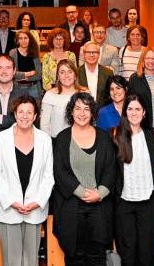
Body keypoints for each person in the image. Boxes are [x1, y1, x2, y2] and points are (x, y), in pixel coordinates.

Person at [51, 92, 117, 265]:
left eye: (86, 109)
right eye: (77, 108)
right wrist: (82, 193)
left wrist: (100, 193)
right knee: (74, 257)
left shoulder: (104, 137)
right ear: (71, 112)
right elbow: (59, 171)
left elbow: (111, 169)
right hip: (71, 207)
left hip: (99, 207)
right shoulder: (62, 138)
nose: (82, 113)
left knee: (97, 258)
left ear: (93, 113)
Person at [0, 95, 55, 266]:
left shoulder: (45, 140)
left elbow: (49, 176)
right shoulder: (1, 138)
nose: (25, 116)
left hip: (34, 209)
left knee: (30, 261)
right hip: (8, 208)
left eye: (29, 112)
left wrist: (37, 202)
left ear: (35, 116)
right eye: (21, 112)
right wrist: (12, 201)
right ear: (15, 114)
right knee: (11, 261)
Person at [112, 94, 154, 266]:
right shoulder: (115, 137)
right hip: (124, 204)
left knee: (147, 255)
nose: (134, 112)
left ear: (144, 112)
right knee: (127, 255)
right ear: (125, 112)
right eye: (130, 109)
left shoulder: (151, 136)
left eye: (138, 109)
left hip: (148, 203)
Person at [128, 47, 154, 129]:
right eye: (147, 58)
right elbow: (129, 104)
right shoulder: (134, 79)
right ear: (142, 60)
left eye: (153, 58)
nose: (150, 61)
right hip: (141, 126)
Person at [40, 59, 84, 138]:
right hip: (56, 141)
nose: (66, 75)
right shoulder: (50, 95)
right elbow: (44, 126)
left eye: (70, 72)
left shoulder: (84, 94)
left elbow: (92, 121)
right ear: (58, 77)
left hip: (81, 140)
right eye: (62, 72)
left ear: (75, 76)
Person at [78, 42, 114, 108]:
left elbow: (110, 96)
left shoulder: (108, 73)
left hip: (102, 113)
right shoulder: (76, 73)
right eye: (88, 52)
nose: (91, 55)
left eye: (94, 52)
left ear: (99, 54)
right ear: (84, 54)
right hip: (82, 112)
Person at [9, 30, 42, 99]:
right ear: (17, 41)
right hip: (18, 88)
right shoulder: (13, 53)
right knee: (18, 108)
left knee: (36, 109)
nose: (23, 40)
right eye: (20, 38)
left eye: (26, 38)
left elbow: (39, 74)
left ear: (30, 39)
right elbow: (11, 73)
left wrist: (25, 78)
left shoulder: (35, 52)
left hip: (34, 87)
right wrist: (28, 73)